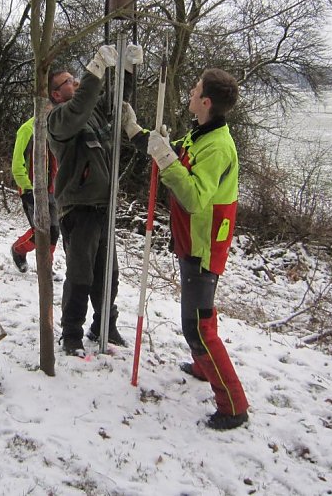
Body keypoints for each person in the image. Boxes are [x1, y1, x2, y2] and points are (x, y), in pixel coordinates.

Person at [122, 67, 250, 430]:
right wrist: (137, 133)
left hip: (204, 244)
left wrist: (166, 159)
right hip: (190, 239)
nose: (190, 93)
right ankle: (200, 364)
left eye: (195, 90)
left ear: (206, 102)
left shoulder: (218, 147)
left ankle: (233, 405)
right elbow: (173, 152)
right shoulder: (202, 134)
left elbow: (193, 196)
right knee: (199, 313)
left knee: (197, 326)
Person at [46, 45, 139, 355]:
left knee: (107, 275)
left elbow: (115, 102)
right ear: (56, 95)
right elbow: (81, 104)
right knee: (81, 274)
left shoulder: (91, 115)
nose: (74, 83)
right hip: (79, 208)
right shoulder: (59, 120)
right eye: (68, 81)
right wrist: (94, 70)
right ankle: (71, 333)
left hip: (103, 207)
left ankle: (104, 326)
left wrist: (127, 70)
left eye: (75, 78)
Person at [10, 116, 60, 273]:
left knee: (54, 231)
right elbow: (17, 163)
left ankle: (46, 267)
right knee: (40, 230)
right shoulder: (27, 129)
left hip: (53, 190)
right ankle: (18, 250)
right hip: (32, 189)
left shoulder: (57, 128)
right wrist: (27, 186)